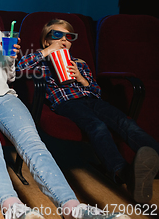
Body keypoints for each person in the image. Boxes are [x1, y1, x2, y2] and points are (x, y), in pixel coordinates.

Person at [0, 0, 129, 219]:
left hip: (3, 97)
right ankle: (14, 209)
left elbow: (9, 76)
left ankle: (72, 208)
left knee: (34, 145)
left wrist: (9, 59)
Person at [17, 18, 159, 203]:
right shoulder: (41, 62)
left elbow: (96, 91)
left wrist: (82, 79)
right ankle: (122, 173)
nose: (63, 40)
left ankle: (154, 159)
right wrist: (47, 52)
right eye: (57, 35)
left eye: (68, 37)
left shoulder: (80, 63)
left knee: (126, 123)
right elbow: (19, 68)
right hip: (67, 103)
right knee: (97, 126)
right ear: (46, 41)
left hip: (92, 100)